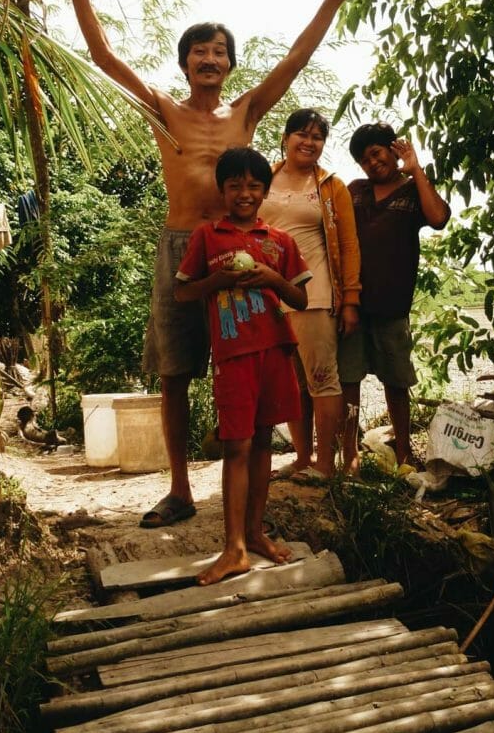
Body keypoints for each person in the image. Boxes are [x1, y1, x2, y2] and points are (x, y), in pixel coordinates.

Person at [37, 0, 357, 527]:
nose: (209, 60)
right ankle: (181, 488)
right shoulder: (163, 110)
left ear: (230, 63)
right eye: (199, 51)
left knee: (253, 361)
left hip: (243, 251)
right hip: (184, 248)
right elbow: (105, 58)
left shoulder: (248, 110)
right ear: (185, 62)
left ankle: (255, 485)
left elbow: (295, 58)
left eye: (219, 52)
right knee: (176, 371)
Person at [174, 148, 311, 585]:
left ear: (265, 191)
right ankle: (232, 547)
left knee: (265, 442)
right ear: (223, 190)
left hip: (277, 350)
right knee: (236, 446)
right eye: (235, 185)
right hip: (233, 356)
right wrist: (219, 281)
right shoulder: (207, 237)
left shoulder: (281, 242)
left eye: (254, 186)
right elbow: (183, 293)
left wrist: (272, 279)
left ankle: (254, 534)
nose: (245, 193)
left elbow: (300, 299)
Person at [338, 123, 451, 467]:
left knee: (396, 381)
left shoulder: (412, 192)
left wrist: (416, 169)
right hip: (351, 305)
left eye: (376, 153)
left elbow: (439, 218)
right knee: (349, 380)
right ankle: (350, 454)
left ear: (392, 151)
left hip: (392, 307)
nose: (372, 163)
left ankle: (403, 450)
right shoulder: (354, 191)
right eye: (364, 159)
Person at [261, 109, 361, 478]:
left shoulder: (331, 187)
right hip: (268, 296)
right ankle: (302, 458)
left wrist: (350, 299)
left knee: (322, 379)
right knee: (289, 383)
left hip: (316, 293)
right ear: (285, 138)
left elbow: (349, 245)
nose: (309, 142)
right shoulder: (262, 177)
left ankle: (325, 464)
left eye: (317, 137)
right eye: (302, 134)